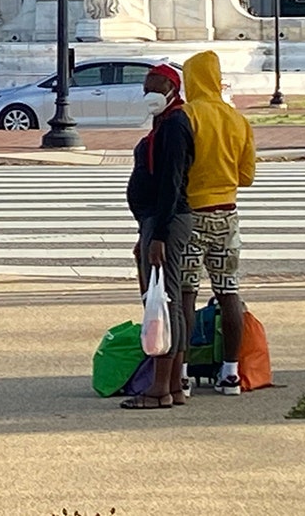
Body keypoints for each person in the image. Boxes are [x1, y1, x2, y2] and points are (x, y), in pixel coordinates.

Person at [178, 50, 256, 396]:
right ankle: (230, 372)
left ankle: (179, 370)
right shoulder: (237, 120)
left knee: (186, 294)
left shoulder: (188, 115)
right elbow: (247, 176)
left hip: (192, 214)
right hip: (227, 212)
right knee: (228, 294)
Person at [122, 63, 194, 409]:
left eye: (155, 86)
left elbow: (171, 182)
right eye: (146, 87)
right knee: (170, 302)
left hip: (168, 220)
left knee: (165, 304)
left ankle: (160, 388)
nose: (149, 93)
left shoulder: (176, 125)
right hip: (155, 221)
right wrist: (145, 234)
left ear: (171, 88)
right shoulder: (163, 122)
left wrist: (159, 235)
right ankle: (173, 386)